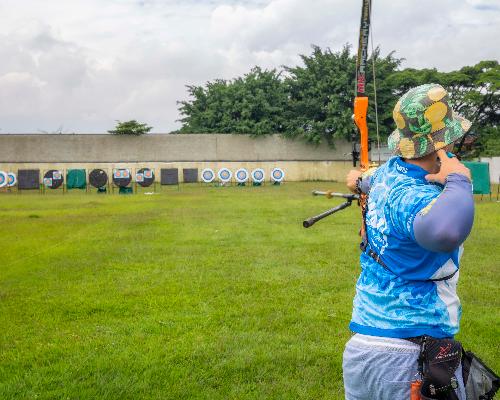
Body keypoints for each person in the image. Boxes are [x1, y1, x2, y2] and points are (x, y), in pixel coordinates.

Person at [342, 83, 475, 400]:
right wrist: (459, 180)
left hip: (364, 347)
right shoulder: (416, 196)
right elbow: (445, 231)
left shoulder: (387, 174)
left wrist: (357, 180)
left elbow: (364, 180)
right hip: (409, 357)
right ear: (443, 142)